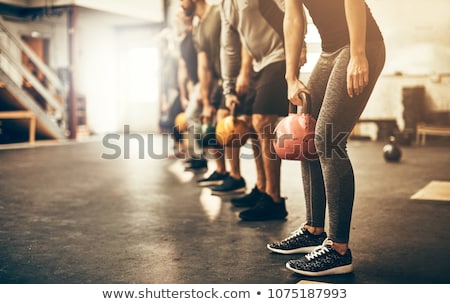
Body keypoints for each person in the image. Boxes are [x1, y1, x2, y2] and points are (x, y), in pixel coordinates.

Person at [267, 0, 385, 276]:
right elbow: (293, 17)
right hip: (330, 51)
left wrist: (358, 53)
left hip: (361, 43)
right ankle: (313, 230)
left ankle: (339, 249)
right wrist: (290, 77)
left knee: (328, 140)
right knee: (306, 134)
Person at [220, 0, 303, 220]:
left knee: (262, 121)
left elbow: (291, 10)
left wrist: (300, 48)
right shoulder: (226, 5)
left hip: (280, 57)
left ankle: (274, 199)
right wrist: (230, 87)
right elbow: (230, 46)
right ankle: (262, 188)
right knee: (250, 122)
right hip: (258, 63)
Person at [181, 0, 251, 195]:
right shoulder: (198, 27)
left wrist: (243, 73)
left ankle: (235, 176)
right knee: (212, 120)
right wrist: (205, 99)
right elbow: (203, 66)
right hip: (220, 80)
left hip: (237, 76)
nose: (180, 4)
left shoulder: (217, 13)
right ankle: (222, 171)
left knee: (228, 123)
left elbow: (241, 37)